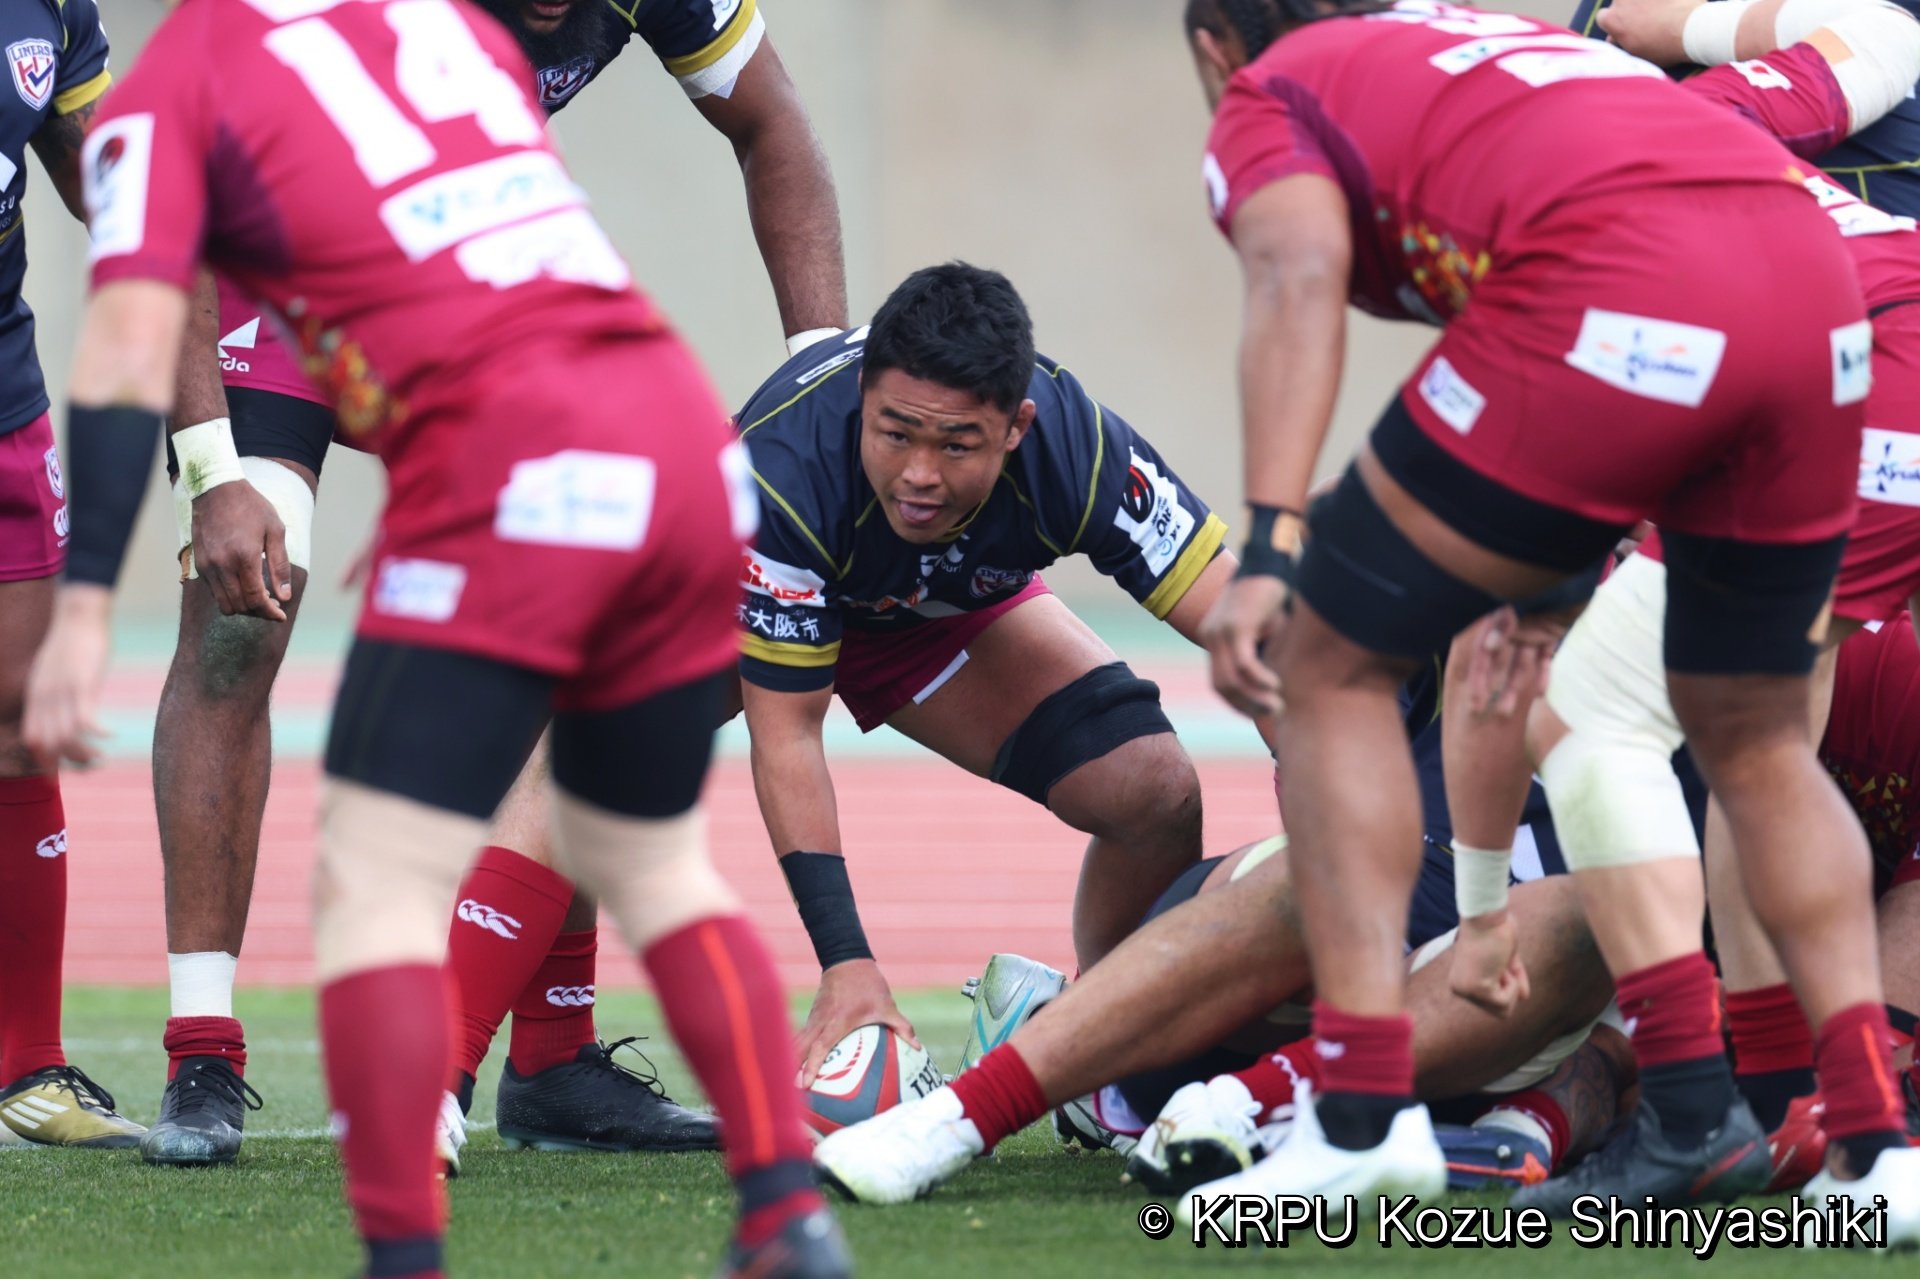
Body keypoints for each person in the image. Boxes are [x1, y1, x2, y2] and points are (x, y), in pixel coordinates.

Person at [23, 2, 844, 1276]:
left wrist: (85, 607)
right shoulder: (450, 34)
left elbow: (132, 332)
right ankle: (787, 1218)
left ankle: (405, 1253)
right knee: (653, 857)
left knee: (376, 875)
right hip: (666, 429)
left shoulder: (180, 68)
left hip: (500, 446)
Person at [1427, 1, 1920, 1220]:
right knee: (1760, 750)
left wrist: (1481, 907)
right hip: (1867, 370)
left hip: (1879, 388)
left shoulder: (1570, 231)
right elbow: (1883, 36)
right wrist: (1681, 28)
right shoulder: (1716, 110)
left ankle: (1732, 1119)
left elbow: (1500, 624)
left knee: (1587, 712)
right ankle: (1819, 1122)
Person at [731, 262, 1250, 1082]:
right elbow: (787, 734)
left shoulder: (1074, 446)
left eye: (956, 444)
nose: (920, 473)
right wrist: (847, 963)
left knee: (1152, 788)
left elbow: (1247, 626)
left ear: (1017, 427)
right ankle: (542, 1058)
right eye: (896, 433)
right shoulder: (779, 473)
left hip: (932, 611)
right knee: (591, 751)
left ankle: (1105, 1046)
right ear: (864, 396)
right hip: (764, 583)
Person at [0, 0, 150, 1150]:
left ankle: (26, 1069)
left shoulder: (48, 7)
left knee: (20, 719)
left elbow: (118, 197)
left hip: (5, 401)